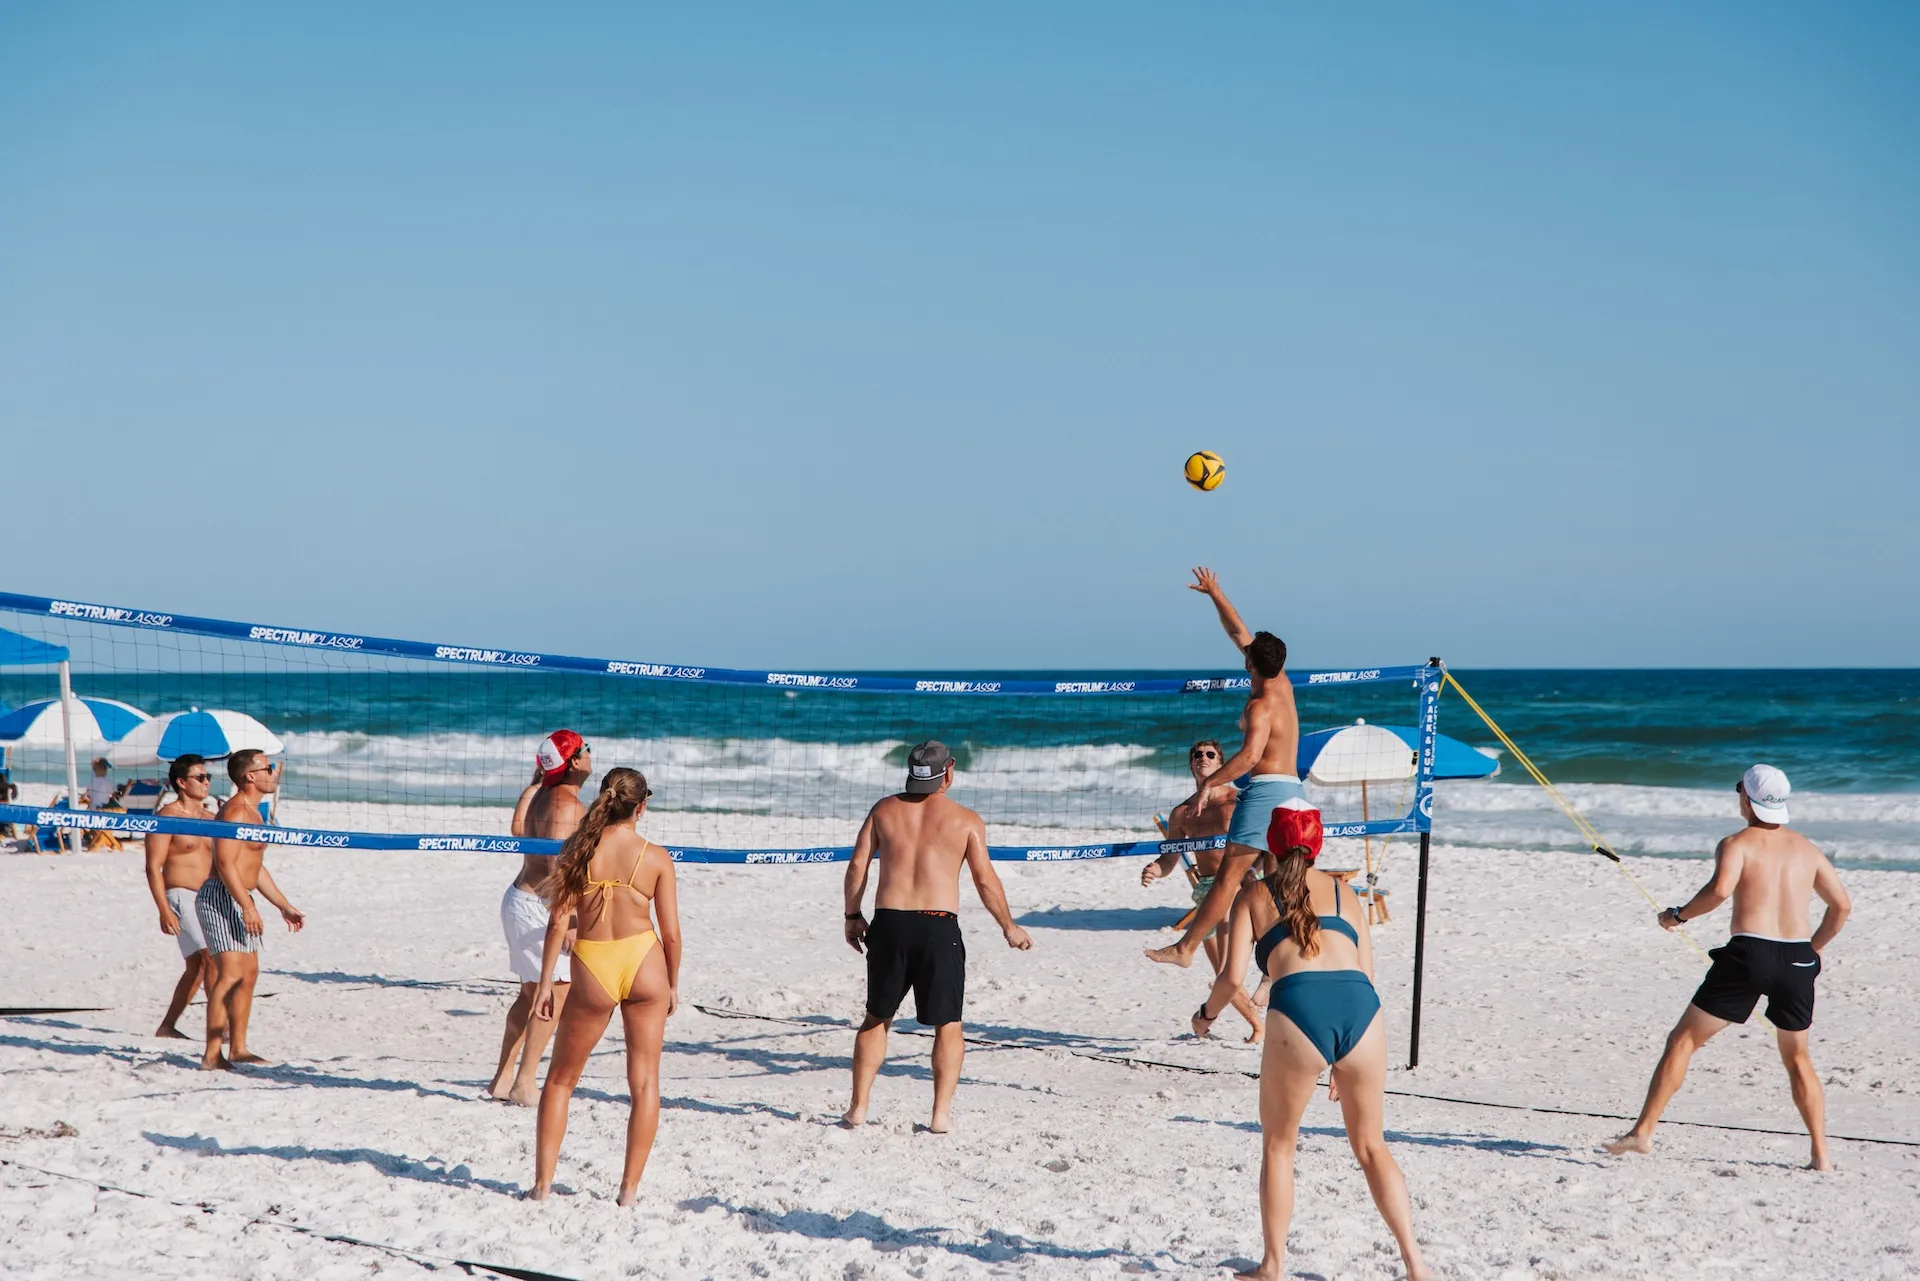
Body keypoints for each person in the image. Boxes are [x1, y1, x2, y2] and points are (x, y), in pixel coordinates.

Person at [1199, 805, 1427, 1281]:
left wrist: (1206, 1017)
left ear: (1271, 845)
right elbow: (1367, 973)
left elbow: (1229, 981)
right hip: (1361, 1011)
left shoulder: (1254, 894)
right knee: (1372, 1147)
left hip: (1299, 1008)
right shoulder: (1347, 892)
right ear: (1317, 844)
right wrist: (1343, 1062)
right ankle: (1416, 1265)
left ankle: (1273, 1266)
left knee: (1280, 1146)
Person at [1605, 764, 1852, 1170]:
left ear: (1747, 799)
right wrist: (1814, 951)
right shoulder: (1808, 849)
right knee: (1797, 1058)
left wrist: (1678, 916)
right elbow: (1841, 906)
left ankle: (1643, 1132)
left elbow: (1720, 891)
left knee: (1682, 1041)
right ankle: (1821, 1156)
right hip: (1796, 959)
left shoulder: (1736, 843)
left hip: (1749, 954)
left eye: (1739, 789)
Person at [841, 741, 1034, 1134]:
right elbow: (985, 880)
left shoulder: (883, 809)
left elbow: (858, 864)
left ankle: (858, 1108)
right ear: (950, 771)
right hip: (937, 925)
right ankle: (940, 1115)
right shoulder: (965, 820)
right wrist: (1008, 927)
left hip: (890, 923)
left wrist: (851, 915)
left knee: (877, 1018)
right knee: (948, 1023)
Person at [528, 768, 680, 1205]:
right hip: (645, 961)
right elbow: (671, 933)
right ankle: (628, 1192)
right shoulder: (655, 856)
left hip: (594, 962)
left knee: (559, 1081)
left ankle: (542, 1187)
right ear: (642, 805)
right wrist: (672, 982)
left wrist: (544, 985)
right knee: (645, 1084)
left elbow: (558, 921)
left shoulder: (579, 847)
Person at [1147, 568, 1301, 971]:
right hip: (1294, 793)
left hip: (1266, 791)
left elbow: (1249, 758)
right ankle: (1280, 964)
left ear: (1250, 663)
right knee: (1277, 883)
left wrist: (1209, 784)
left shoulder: (1259, 705)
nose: (1242, 649)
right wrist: (1215, 592)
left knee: (1230, 874)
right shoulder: (1280, 683)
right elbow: (1239, 632)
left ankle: (1186, 948)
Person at [490, 730, 590, 1105]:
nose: (591, 753)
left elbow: (521, 833)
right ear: (575, 761)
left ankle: (502, 1080)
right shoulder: (567, 805)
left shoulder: (542, 794)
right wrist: (571, 920)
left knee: (530, 994)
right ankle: (524, 1083)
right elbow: (554, 867)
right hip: (539, 905)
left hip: (521, 900)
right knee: (554, 995)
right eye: (586, 749)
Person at [1143, 739, 1261, 1041]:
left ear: (1220, 763)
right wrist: (1156, 869)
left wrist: (1253, 871)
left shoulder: (1238, 801)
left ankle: (1251, 1019)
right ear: (1191, 764)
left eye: (1210, 754)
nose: (1203, 758)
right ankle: (1255, 1026)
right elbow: (1170, 858)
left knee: (1232, 969)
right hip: (1207, 890)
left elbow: (1261, 845)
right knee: (1223, 973)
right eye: (1197, 755)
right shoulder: (1182, 813)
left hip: (1238, 883)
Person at [198, 750, 305, 1070]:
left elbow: (254, 867)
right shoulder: (235, 812)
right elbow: (225, 863)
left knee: (248, 975)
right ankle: (211, 1054)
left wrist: (283, 905)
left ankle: (239, 1049)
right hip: (221, 896)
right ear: (250, 776)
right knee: (229, 975)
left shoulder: (255, 813)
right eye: (268, 768)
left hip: (241, 895)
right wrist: (246, 906)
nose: (274, 773)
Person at [144, 754, 216, 1039]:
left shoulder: (212, 818)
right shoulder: (168, 817)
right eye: (200, 777)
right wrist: (163, 909)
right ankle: (218, 1029)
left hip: (207, 898)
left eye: (208, 777)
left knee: (196, 968)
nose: (206, 782)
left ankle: (167, 1027)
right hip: (179, 895)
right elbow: (152, 867)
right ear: (182, 783)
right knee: (212, 958)